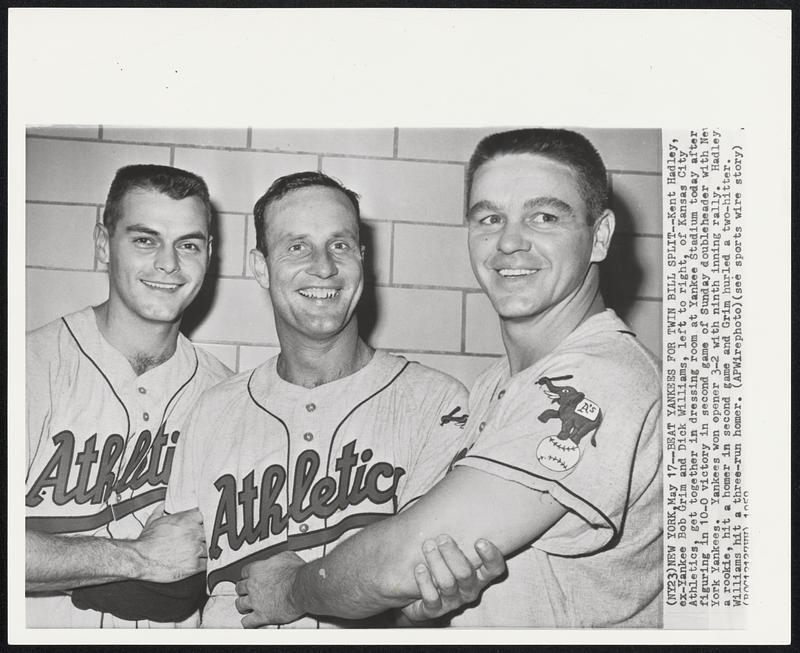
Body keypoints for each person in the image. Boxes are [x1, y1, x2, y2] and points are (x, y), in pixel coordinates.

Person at [234, 129, 663, 628]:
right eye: (489, 218)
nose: (509, 241)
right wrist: (422, 607)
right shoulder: (493, 386)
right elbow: (431, 569)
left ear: (601, 235)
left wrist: (291, 589)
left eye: (544, 216)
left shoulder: (603, 377)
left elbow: (399, 558)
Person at [164, 171, 506, 628]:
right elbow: (178, 589)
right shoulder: (212, 410)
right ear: (261, 268)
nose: (323, 266)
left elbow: (420, 601)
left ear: (362, 260)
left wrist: (423, 612)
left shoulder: (436, 403)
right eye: (297, 246)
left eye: (340, 245)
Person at [25, 164, 232, 628]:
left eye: (189, 244)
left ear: (209, 255)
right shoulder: (29, 367)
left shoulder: (226, 393)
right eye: (145, 239)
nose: (168, 263)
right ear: (103, 243)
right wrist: (137, 558)